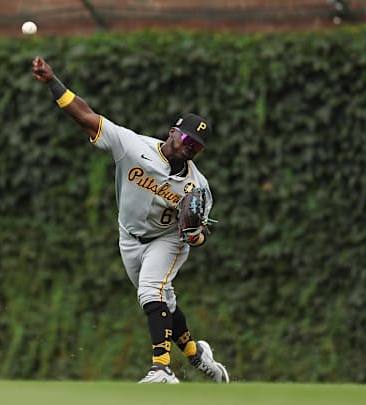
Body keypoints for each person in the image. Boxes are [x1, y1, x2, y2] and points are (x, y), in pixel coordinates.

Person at [31, 56, 229, 384]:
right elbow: (84, 115)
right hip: (130, 237)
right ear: (173, 132)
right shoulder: (133, 147)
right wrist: (53, 81)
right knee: (161, 302)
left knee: (151, 291)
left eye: (197, 146)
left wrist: (196, 236)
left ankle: (161, 369)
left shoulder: (199, 185)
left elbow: (202, 232)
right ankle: (197, 355)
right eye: (187, 139)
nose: (190, 148)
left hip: (168, 240)